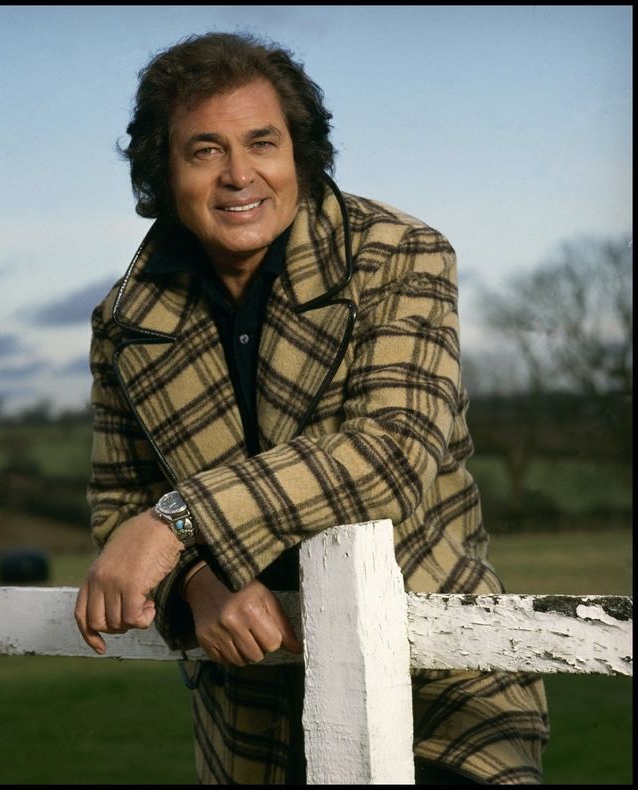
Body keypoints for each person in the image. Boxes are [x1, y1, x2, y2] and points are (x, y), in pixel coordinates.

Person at [74, 31, 549, 785]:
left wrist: (179, 523)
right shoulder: (125, 319)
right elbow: (117, 503)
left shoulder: (399, 254)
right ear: (165, 171)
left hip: (434, 683)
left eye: (262, 142)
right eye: (204, 150)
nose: (239, 175)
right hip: (247, 717)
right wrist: (194, 581)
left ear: (299, 152)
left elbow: (390, 455)